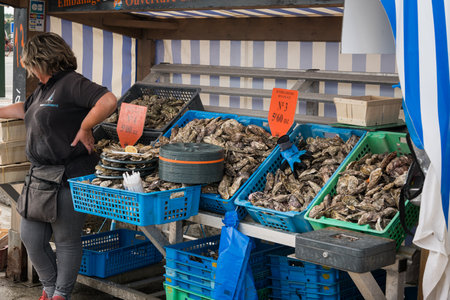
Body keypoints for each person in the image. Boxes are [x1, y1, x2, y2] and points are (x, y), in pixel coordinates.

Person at [0, 32, 117, 300]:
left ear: (42, 60)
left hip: (69, 174)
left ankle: (60, 294)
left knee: (66, 241)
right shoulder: (43, 89)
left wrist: (86, 126)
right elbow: (25, 109)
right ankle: (51, 287)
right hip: (39, 176)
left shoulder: (71, 83)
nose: (29, 70)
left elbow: (108, 100)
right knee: (32, 237)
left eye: (30, 64)